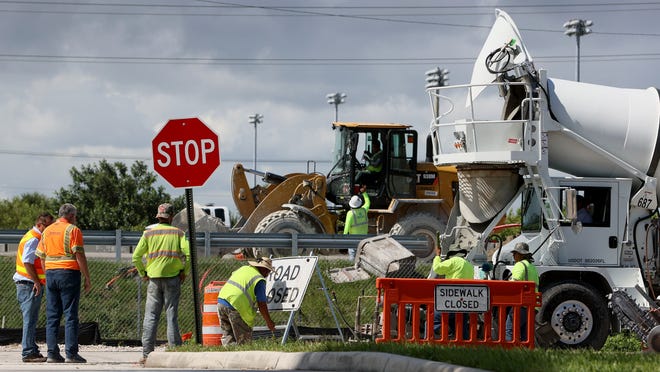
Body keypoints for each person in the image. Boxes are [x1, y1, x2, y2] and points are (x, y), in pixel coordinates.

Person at [132, 203, 190, 362]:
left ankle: (146, 355)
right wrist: (184, 272)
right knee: (171, 315)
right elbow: (189, 254)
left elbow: (136, 257)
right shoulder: (179, 233)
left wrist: (143, 273)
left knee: (150, 316)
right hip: (173, 279)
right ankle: (175, 353)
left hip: (153, 280)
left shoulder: (148, 234)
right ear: (171, 217)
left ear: (158, 217)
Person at [36, 203, 91, 364]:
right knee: (70, 315)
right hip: (68, 274)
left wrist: (47, 274)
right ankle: (71, 354)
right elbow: (79, 255)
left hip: (51, 274)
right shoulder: (73, 230)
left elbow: (41, 255)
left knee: (52, 316)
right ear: (72, 216)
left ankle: (52, 353)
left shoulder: (47, 230)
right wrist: (87, 277)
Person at [14, 212, 54, 363]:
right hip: (28, 284)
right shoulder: (34, 238)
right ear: (40, 225)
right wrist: (37, 281)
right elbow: (27, 262)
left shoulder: (34, 237)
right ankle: (28, 352)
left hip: (28, 284)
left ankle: (31, 349)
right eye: (48, 227)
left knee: (31, 319)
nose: (49, 230)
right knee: (29, 319)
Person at [216, 257, 276, 345]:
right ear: (263, 268)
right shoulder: (259, 280)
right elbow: (262, 304)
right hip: (236, 306)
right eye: (268, 271)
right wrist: (269, 322)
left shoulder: (243, 269)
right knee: (244, 343)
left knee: (228, 338)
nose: (267, 274)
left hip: (221, 302)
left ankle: (229, 356)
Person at [432, 245, 474, 339]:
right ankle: (466, 348)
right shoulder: (469, 265)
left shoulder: (454, 261)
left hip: (452, 300)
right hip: (465, 302)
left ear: (451, 254)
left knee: (434, 319)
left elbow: (437, 268)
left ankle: (444, 336)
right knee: (461, 326)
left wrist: (437, 256)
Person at [505, 242, 540, 342]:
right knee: (525, 333)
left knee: (509, 330)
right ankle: (526, 354)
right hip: (533, 306)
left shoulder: (520, 265)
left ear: (520, 254)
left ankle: (508, 353)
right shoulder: (532, 267)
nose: (513, 255)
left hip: (522, 304)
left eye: (515, 253)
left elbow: (514, 283)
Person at [343, 185, 370, 261]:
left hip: (353, 239)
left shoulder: (350, 213)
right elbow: (368, 202)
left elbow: (346, 227)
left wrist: (343, 237)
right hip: (364, 238)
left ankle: (352, 267)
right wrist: (364, 193)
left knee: (352, 254)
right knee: (362, 256)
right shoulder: (364, 210)